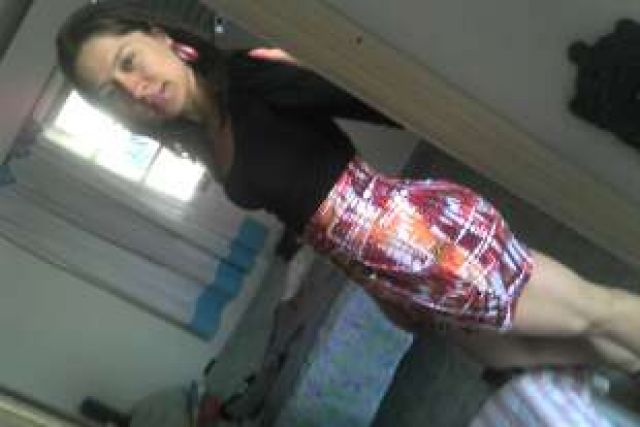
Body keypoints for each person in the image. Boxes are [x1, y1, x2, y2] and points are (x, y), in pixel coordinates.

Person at [56, 0, 640, 377]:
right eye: (111, 91)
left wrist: (313, 65)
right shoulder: (205, 140)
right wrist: (381, 292)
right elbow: (304, 217)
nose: (134, 86)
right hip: (398, 277)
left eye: (129, 60)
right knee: (527, 350)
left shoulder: (251, 74)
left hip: (430, 241)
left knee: (596, 314)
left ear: (159, 37)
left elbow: (392, 101)